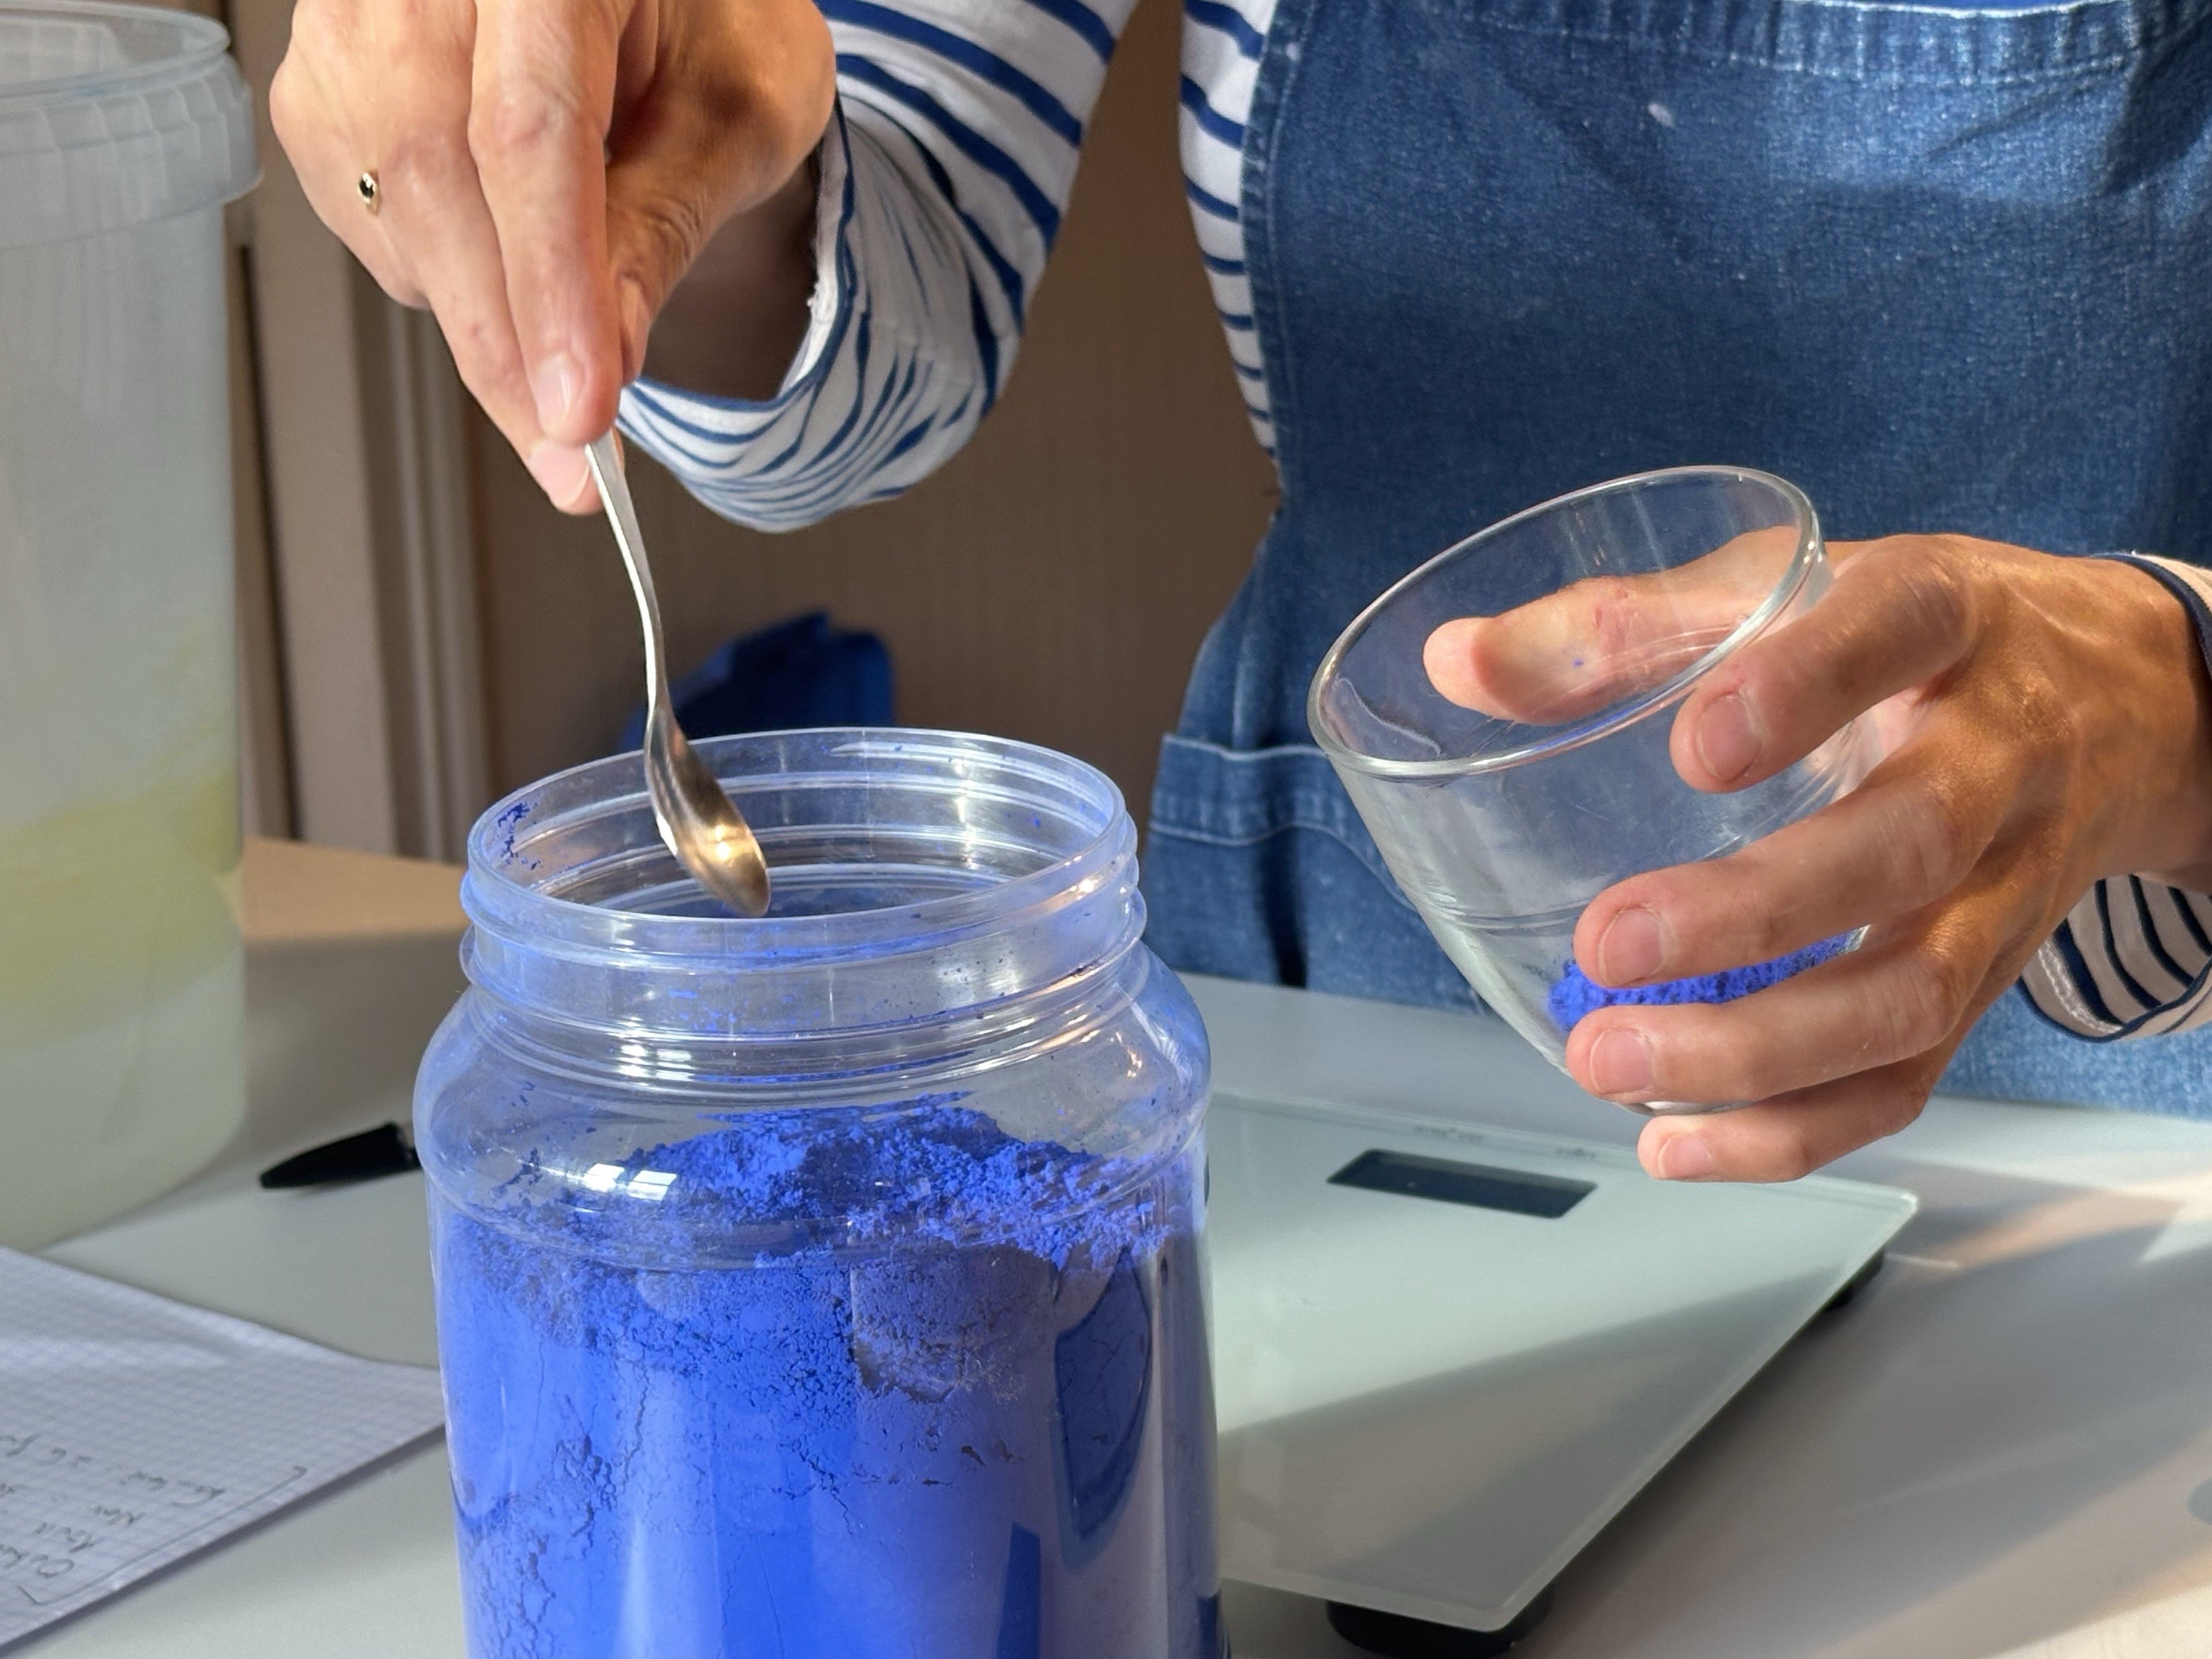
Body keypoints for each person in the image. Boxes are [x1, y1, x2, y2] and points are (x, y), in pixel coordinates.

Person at [271, 0, 2212, 1183]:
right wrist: (672, 160)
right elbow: (872, 322)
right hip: (1357, 1045)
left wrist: (2162, 690)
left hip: (2136, 1143)